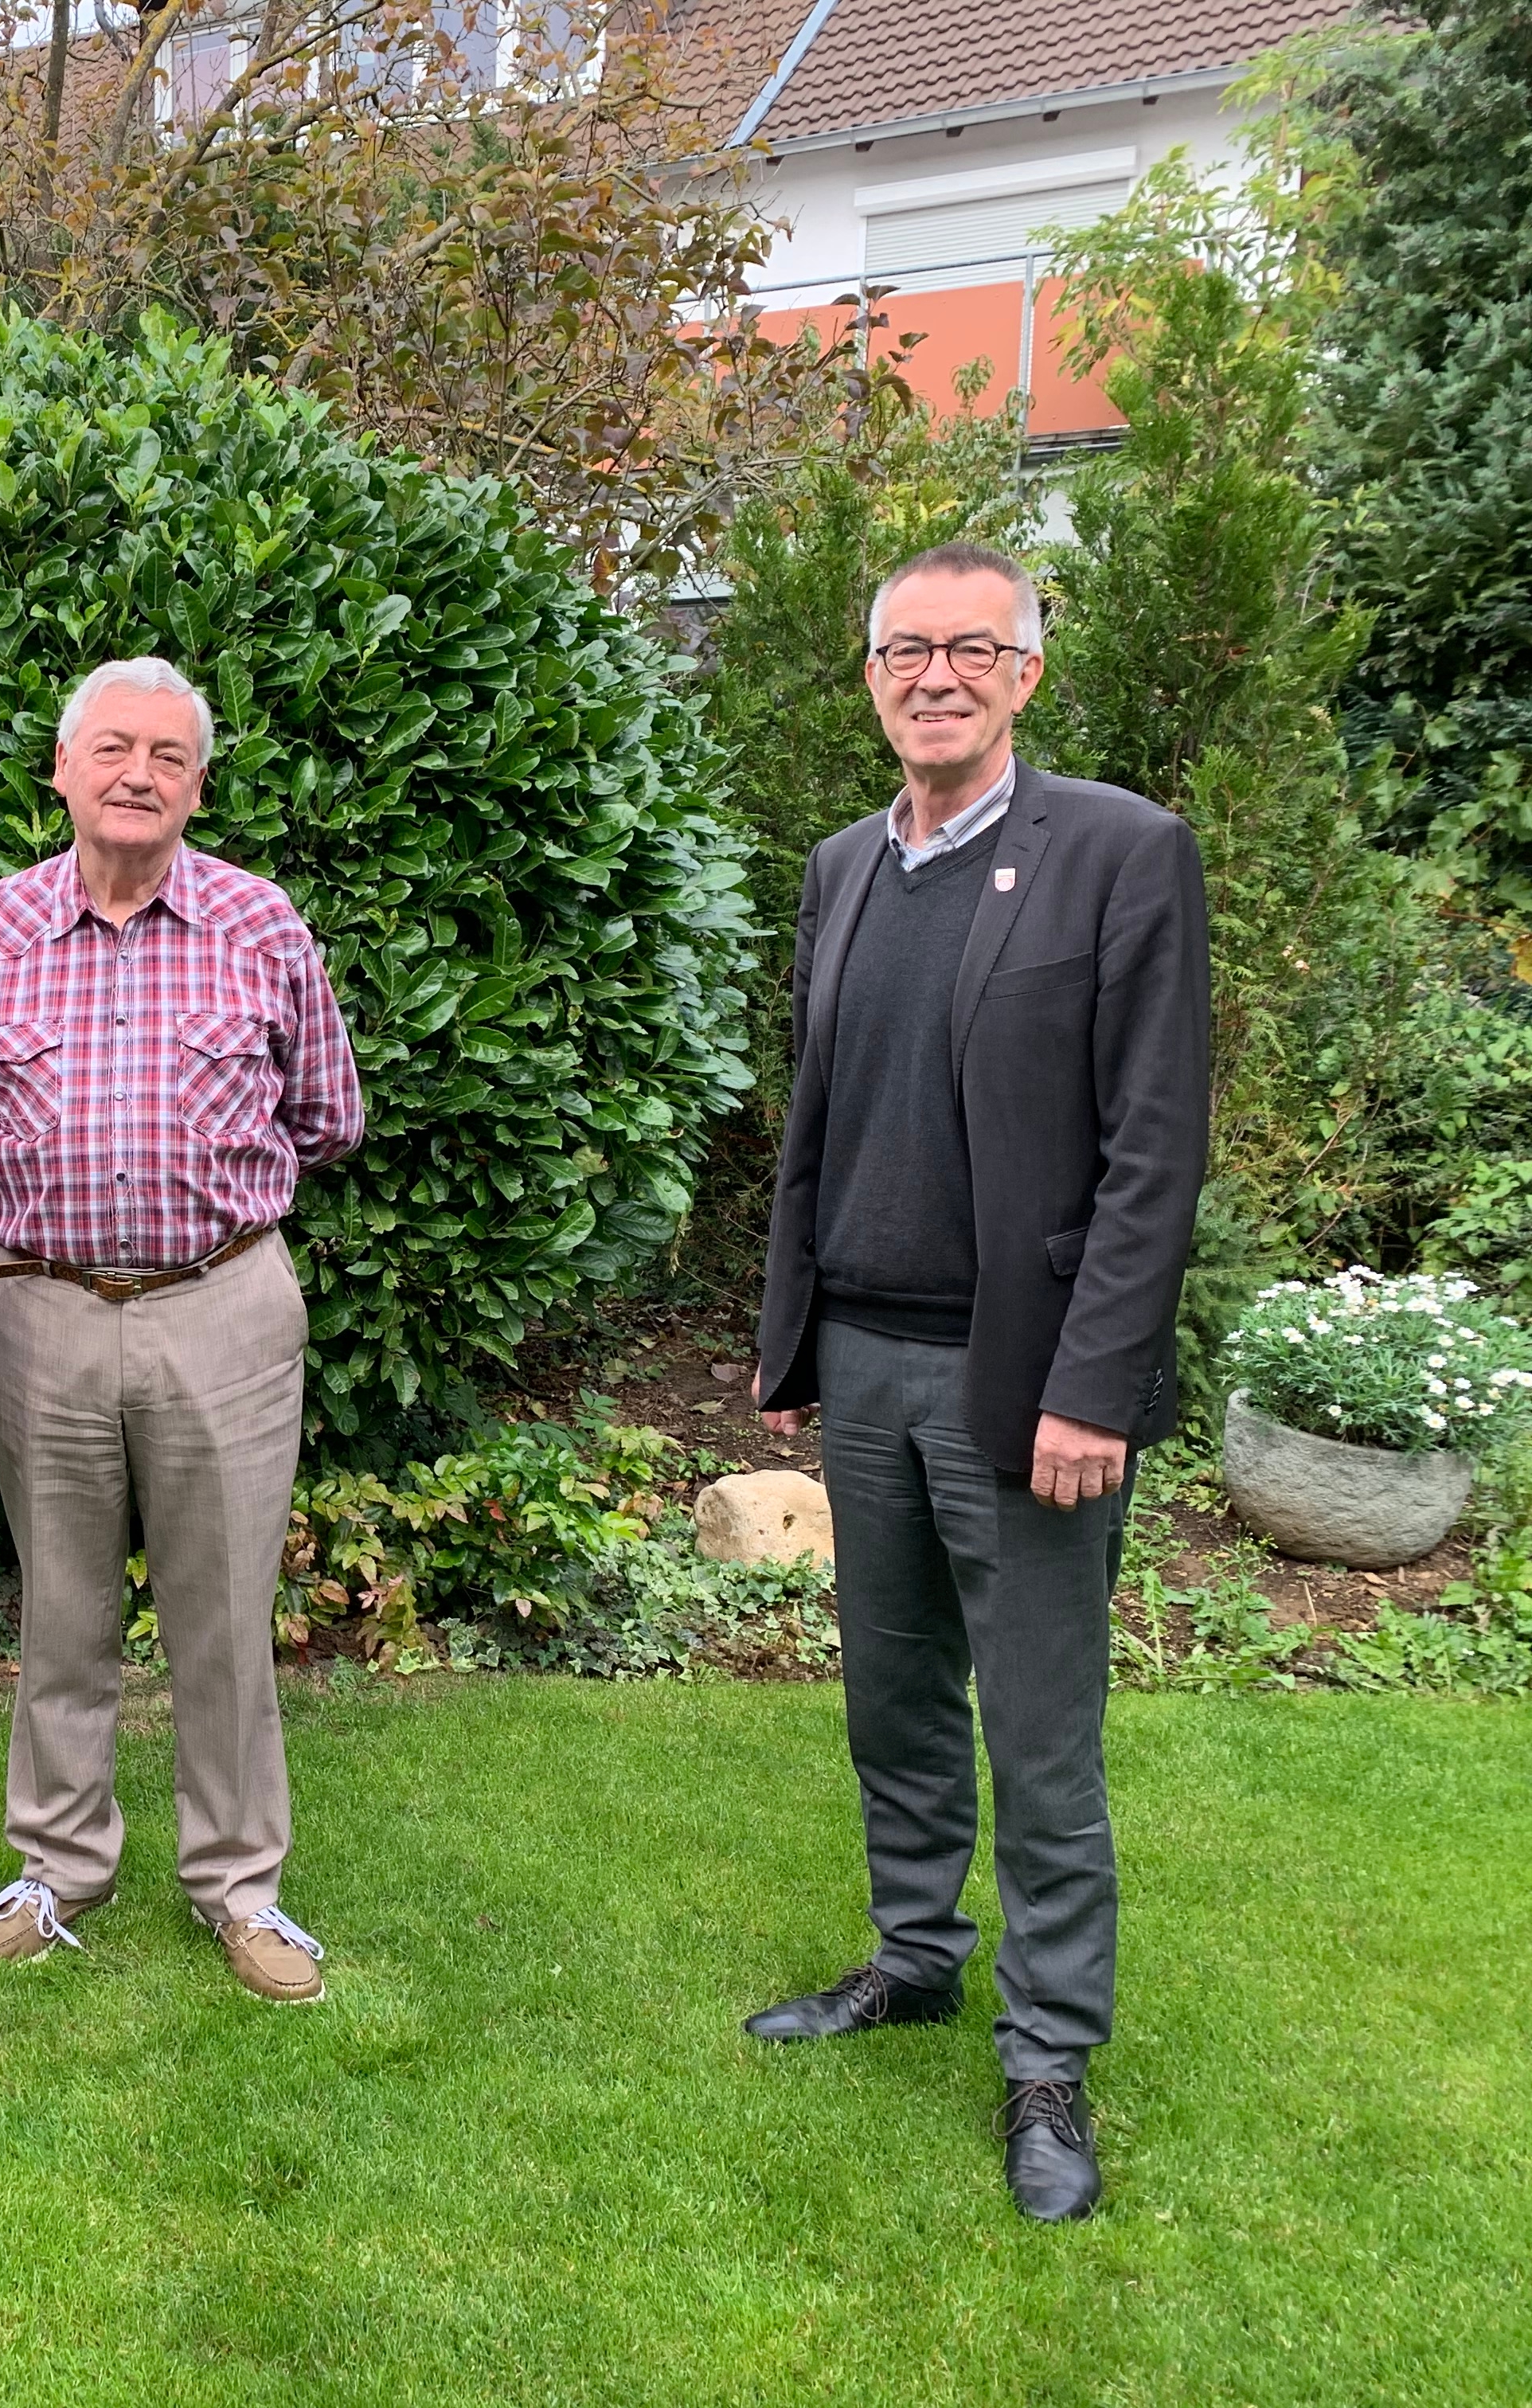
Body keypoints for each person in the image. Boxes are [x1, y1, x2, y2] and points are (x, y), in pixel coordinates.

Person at [748, 541, 1210, 2222]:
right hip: (868, 1359)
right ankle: (916, 1957)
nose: (933, 676)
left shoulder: (1119, 852)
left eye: (971, 649)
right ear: (871, 673)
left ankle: (1049, 2053)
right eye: (904, 650)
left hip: (1024, 1379)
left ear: (1027, 672)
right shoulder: (844, 868)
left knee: (1040, 1730)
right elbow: (824, 1116)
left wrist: (1093, 1385)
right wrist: (795, 1339)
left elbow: (1154, 1152)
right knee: (892, 1697)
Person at [0, 657, 364, 2003]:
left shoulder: (261, 925)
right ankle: (56, 1868)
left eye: (168, 756)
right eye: (112, 748)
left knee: (223, 1618)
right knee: (62, 1613)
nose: (138, 775)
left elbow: (328, 1115)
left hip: (221, 1308)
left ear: (199, 786)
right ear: (62, 770)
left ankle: (241, 1888)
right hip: (39, 1315)